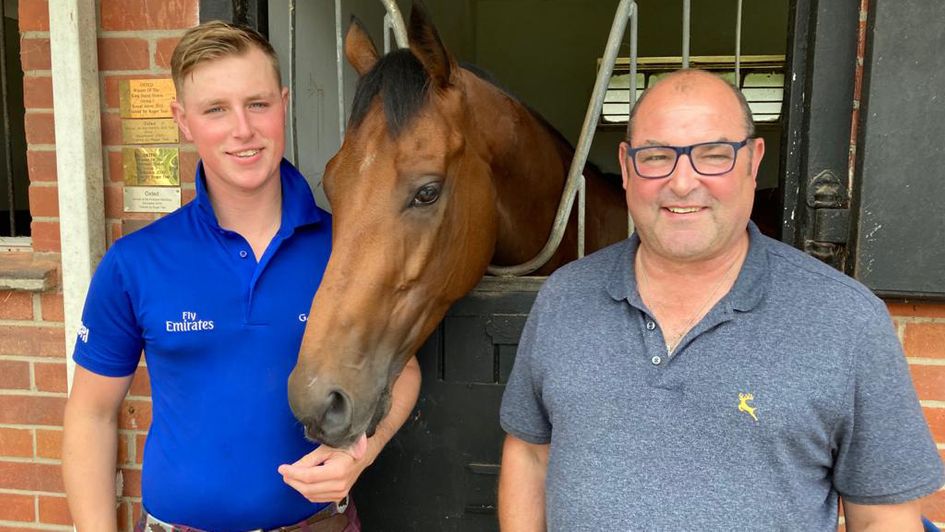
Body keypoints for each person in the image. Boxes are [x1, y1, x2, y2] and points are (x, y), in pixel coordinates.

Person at [498, 69, 944, 530]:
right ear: (627, 167)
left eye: (714, 155)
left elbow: (883, 518)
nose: (683, 183)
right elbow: (530, 452)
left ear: (753, 161)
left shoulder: (847, 320)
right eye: (656, 157)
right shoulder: (564, 297)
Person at [61, 21, 421, 532]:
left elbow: (402, 371)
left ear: (284, 103)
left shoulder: (345, 250)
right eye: (215, 110)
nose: (243, 129)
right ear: (183, 122)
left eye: (257, 104)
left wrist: (362, 454)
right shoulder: (135, 262)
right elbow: (91, 415)